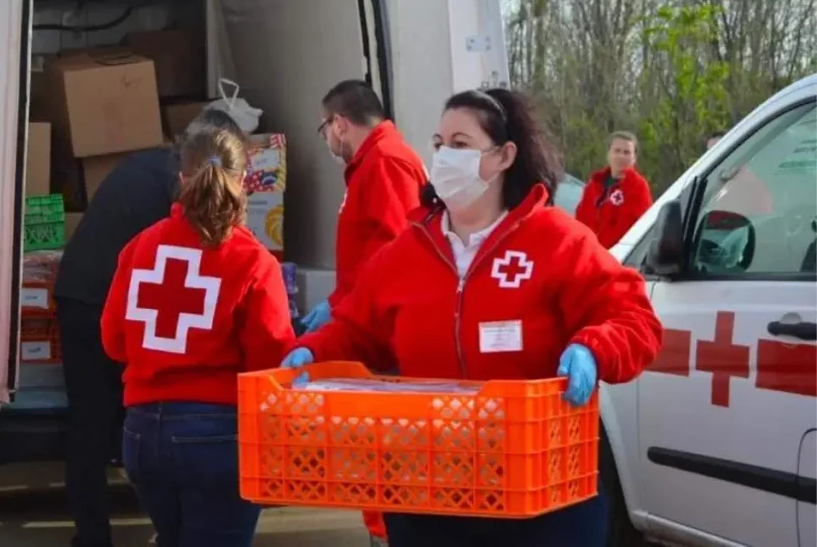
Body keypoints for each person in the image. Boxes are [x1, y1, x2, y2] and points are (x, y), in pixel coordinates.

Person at [283, 89, 663, 546]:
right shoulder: (405, 253)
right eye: (440, 144)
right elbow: (359, 330)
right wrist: (312, 350)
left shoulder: (557, 241)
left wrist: (594, 349)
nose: (445, 156)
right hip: (431, 492)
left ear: (504, 156)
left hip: (542, 494)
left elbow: (635, 318)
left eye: (461, 144)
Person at [53, 108, 247, 547]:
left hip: (82, 296)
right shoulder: (179, 184)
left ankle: (93, 537)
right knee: (102, 425)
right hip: (101, 302)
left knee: (91, 425)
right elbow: (192, 256)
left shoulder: (147, 164)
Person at [100, 125, 295, 547]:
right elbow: (271, 360)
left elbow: (114, 342)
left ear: (181, 180)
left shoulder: (139, 248)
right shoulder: (254, 261)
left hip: (140, 435)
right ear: (243, 181)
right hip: (218, 436)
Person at [300, 80, 427, 543]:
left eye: (325, 129)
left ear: (339, 123)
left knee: (387, 462)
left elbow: (399, 254)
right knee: (376, 461)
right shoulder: (372, 164)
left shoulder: (386, 163)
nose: (328, 140)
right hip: (371, 330)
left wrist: (344, 308)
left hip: (385, 340)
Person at [574, 131, 653, 249]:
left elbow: (643, 229)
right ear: (608, 154)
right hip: (588, 254)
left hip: (618, 258)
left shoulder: (638, 187)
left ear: (634, 158)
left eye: (626, 152)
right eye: (617, 151)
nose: (621, 156)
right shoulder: (594, 185)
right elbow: (580, 221)